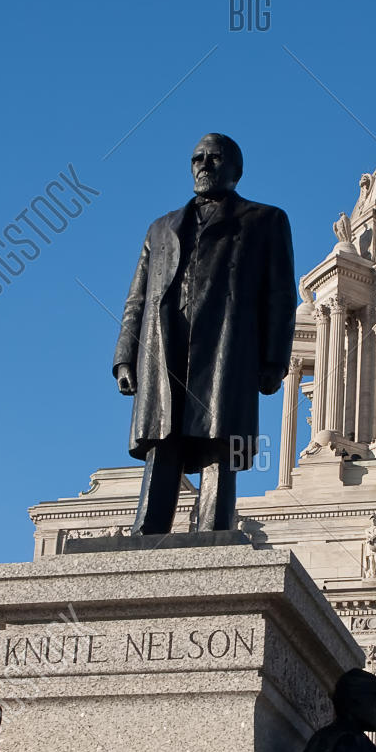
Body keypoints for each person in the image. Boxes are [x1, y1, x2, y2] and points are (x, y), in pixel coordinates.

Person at [113, 134, 297, 536]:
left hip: (227, 348)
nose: (204, 165)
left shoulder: (265, 220)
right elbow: (137, 298)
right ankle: (148, 531)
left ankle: (214, 532)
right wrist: (124, 356)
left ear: (236, 170)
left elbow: (281, 296)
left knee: (220, 442)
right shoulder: (161, 228)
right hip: (165, 346)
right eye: (197, 158)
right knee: (164, 441)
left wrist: (273, 360)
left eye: (215, 158)